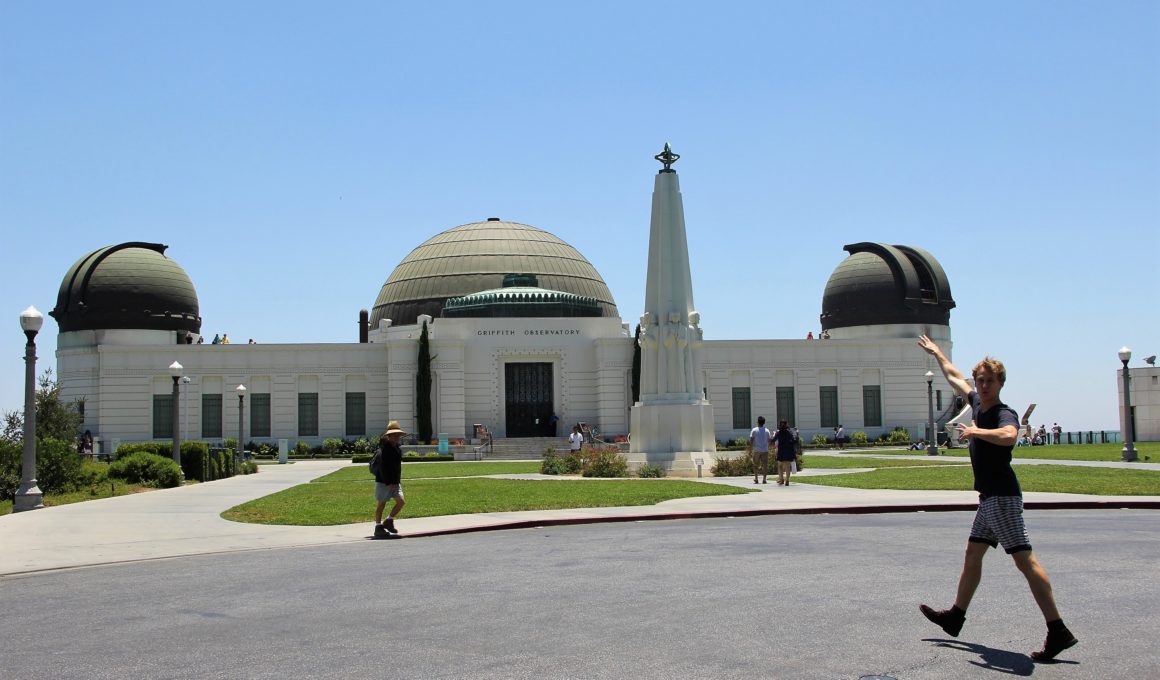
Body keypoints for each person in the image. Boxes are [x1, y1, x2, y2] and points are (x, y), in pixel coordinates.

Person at [917, 334, 1076, 661]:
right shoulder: (975, 402)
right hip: (989, 499)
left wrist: (976, 432)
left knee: (1024, 561)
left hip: (1002, 498)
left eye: (989, 381)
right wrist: (936, 353)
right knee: (973, 554)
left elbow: (1009, 437)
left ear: (1000, 383)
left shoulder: (1004, 413)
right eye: (980, 381)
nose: (983, 385)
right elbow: (952, 375)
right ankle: (955, 617)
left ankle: (1057, 629)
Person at [372, 421, 407, 539]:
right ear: (389, 436)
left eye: (398, 435)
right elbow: (383, 468)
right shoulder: (384, 449)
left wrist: (395, 482)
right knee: (381, 504)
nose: (397, 437)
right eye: (395, 435)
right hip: (383, 482)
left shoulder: (397, 448)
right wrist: (389, 483)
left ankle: (388, 521)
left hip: (395, 482)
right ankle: (378, 527)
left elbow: (396, 467)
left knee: (401, 502)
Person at [748, 416, 772, 484]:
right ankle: (764, 479)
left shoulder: (754, 430)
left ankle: (756, 478)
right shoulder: (767, 430)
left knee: (756, 465)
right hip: (765, 450)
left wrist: (750, 450)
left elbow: (751, 441)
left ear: (758, 422)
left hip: (756, 450)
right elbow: (769, 440)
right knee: (765, 465)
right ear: (764, 422)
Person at [773, 420, 797, 485]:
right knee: (787, 467)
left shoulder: (778, 433)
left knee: (780, 466)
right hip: (788, 451)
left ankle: (781, 479)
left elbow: (773, 440)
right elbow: (793, 441)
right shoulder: (789, 433)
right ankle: (787, 480)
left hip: (781, 451)